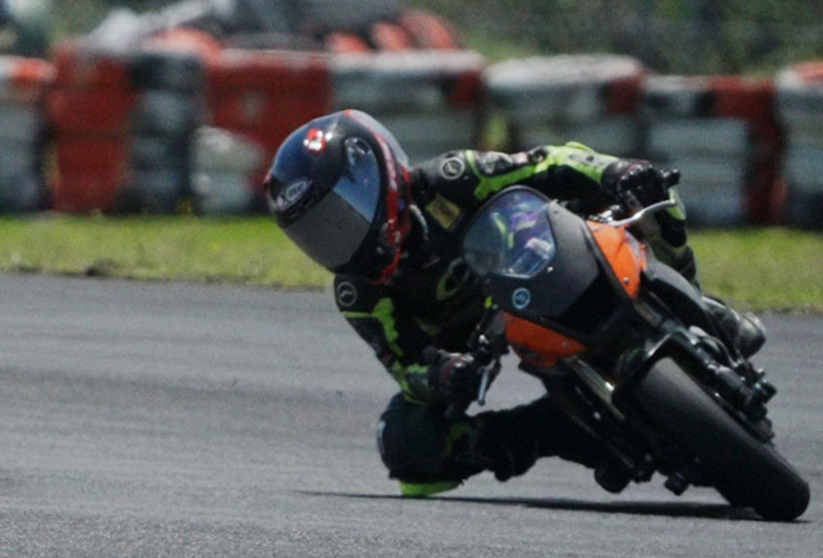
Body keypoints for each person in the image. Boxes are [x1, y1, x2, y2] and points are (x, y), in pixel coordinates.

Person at [264, 109, 766, 497]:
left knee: (652, 196)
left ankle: (701, 307)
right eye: (318, 233)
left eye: (341, 216)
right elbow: (405, 364)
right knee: (406, 445)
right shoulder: (359, 293)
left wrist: (616, 171)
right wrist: (442, 375)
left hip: (550, 259)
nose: (337, 241)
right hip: (480, 337)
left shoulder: (453, 177)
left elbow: (550, 162)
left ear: (380, 179)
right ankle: (550, 432)